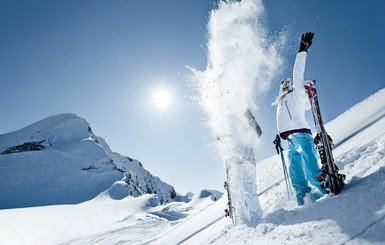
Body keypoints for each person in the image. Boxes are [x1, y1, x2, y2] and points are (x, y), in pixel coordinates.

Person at [273, 32, 326, 206]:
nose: (284, 87)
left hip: (302, 136)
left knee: (311, 170)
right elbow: (283, 119)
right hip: (289, 139)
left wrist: (302, 50)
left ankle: (329, 188)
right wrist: (279, 135)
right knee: (295, 173)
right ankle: (304, 199)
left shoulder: (297, 94)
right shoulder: (282, 101)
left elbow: (297, 74)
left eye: (286, 84)